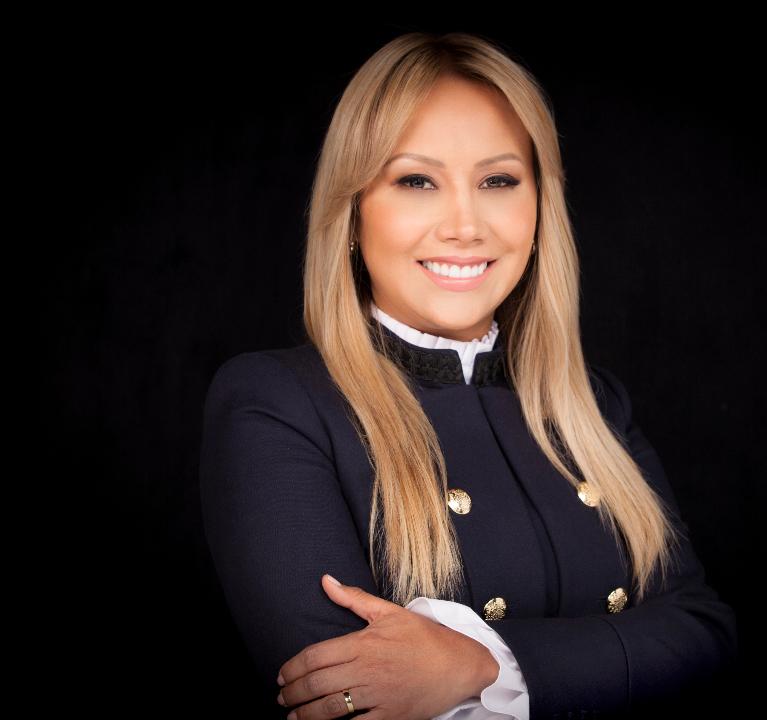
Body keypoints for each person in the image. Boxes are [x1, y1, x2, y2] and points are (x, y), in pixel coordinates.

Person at [199, 32, 738, 719]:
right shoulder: (276, 403)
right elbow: (345, 697)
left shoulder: (595, 405)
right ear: (353, 213)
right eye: (417, 181)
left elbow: (706, 631)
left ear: (539, 210)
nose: (465, 226)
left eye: (498, 181)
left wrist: (482, 664)